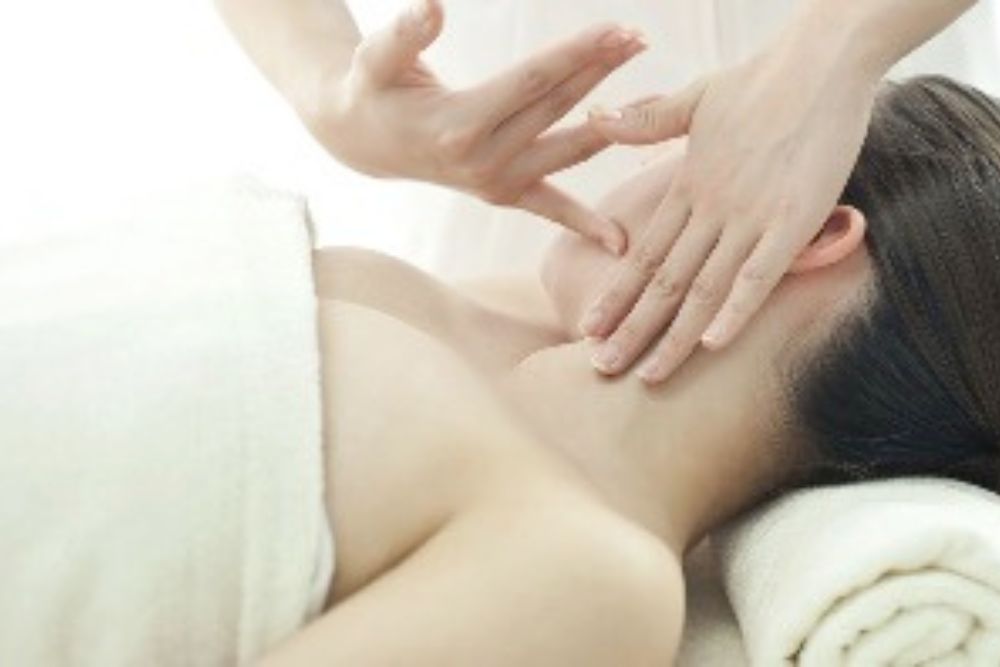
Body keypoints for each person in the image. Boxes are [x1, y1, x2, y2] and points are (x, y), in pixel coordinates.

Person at [266, 75, 1000, 663]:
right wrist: (333, 86)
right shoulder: (471, 335)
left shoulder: (591, 579)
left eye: (715, 132)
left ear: (808, 229)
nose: (652, 154)